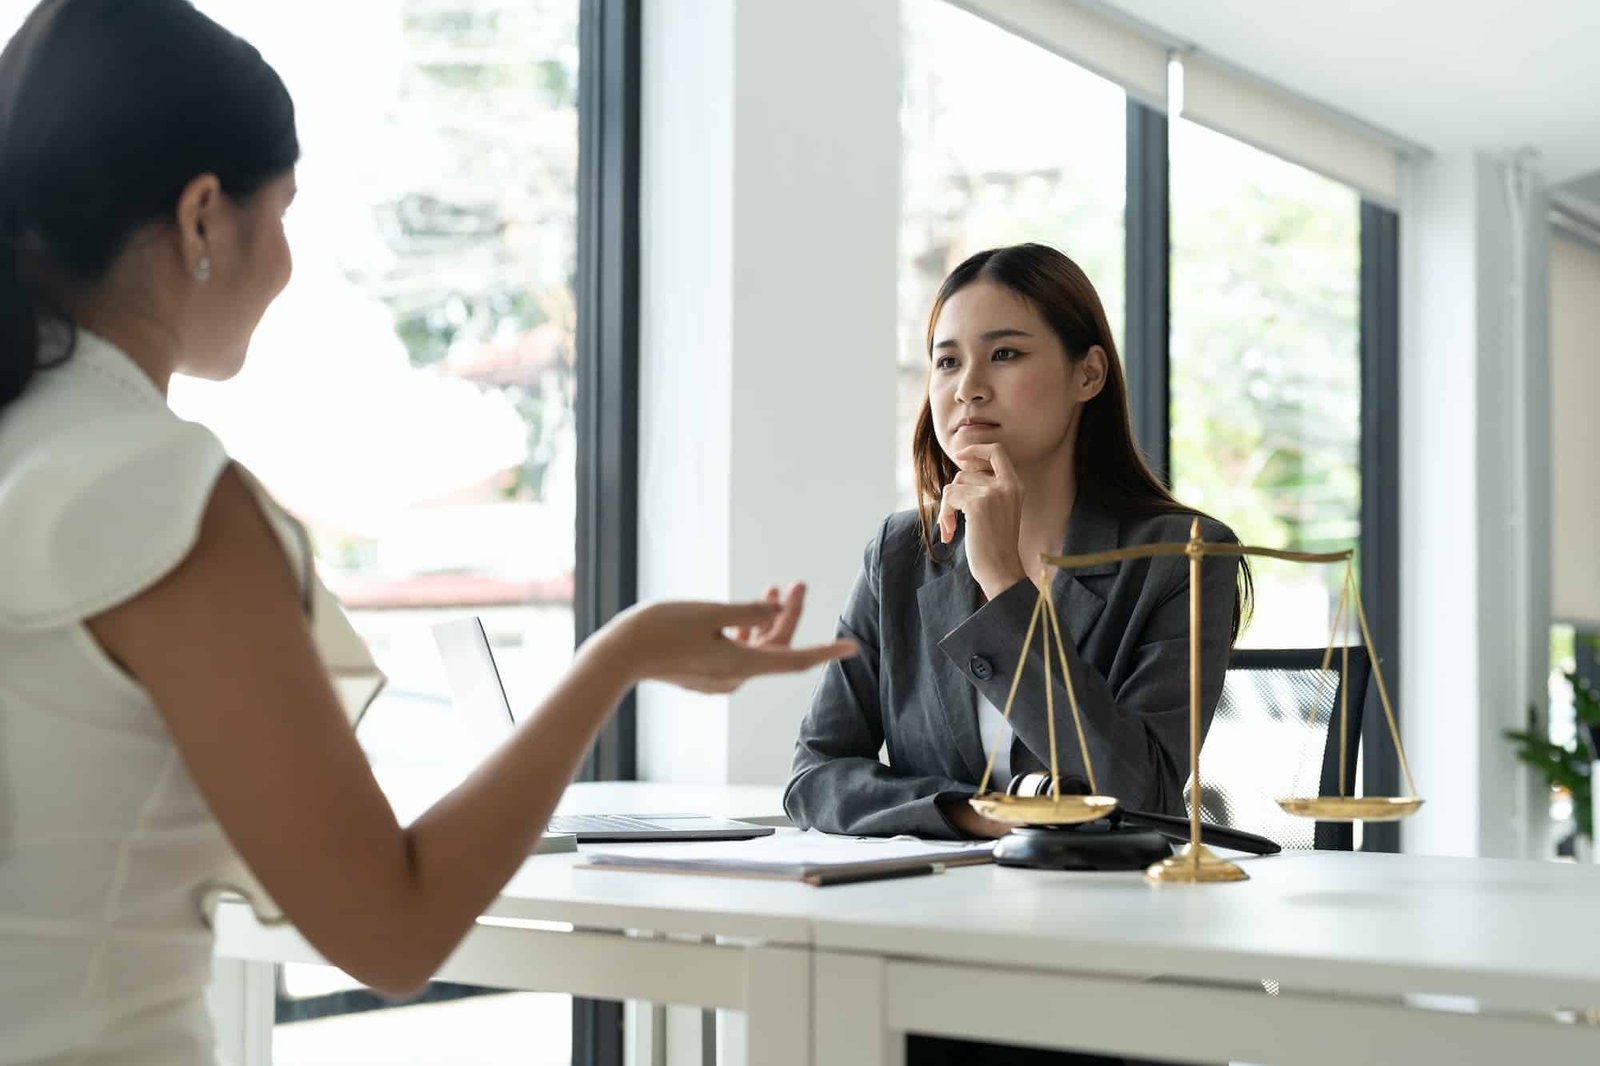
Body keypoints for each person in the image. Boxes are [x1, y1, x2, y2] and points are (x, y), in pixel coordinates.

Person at [0, 3, 853, 1064]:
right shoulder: (161, 496)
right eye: (288, 213)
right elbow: (392, 930)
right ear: (203, 217)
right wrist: (616, 659)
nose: (289, 263)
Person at [784, 242, 1248, 1066]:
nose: (968, 388)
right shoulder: (902, 553)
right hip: (931, 950)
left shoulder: (1181, 557)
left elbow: (1134, 791)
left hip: (1109, 966)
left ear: (1088, 375)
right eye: (947, 361)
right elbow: (816, 773)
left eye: (1005, 354)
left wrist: (1003, 584)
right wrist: (968, 813)